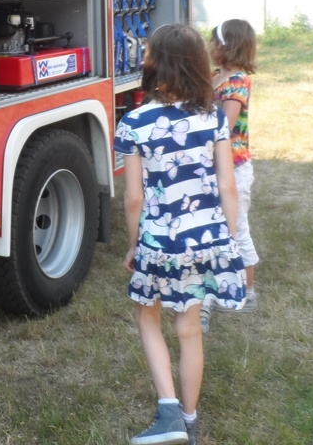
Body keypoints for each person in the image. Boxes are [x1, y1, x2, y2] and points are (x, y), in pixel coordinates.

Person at [115, 23, 246, 445]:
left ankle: (168, 410)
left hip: (160, 241)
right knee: (189, 329)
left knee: (147, 315)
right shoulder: (213, 120)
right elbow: (227, 186)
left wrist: (134, 244)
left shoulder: (134, 122)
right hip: (207, 239)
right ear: (198, 65)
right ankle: (189, 422)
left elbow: (134, 198)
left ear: (153, 65)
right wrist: (225, 238)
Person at [200, 19, 259, 334]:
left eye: (213, 41)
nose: (209, 47)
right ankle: (212, 291)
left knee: (236, 228)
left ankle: (248, 293)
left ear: (226, 46)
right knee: (214, 229)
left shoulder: (237, 82)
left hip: (233, 169)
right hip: (214, 166)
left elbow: (223, 124)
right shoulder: (215, 77)